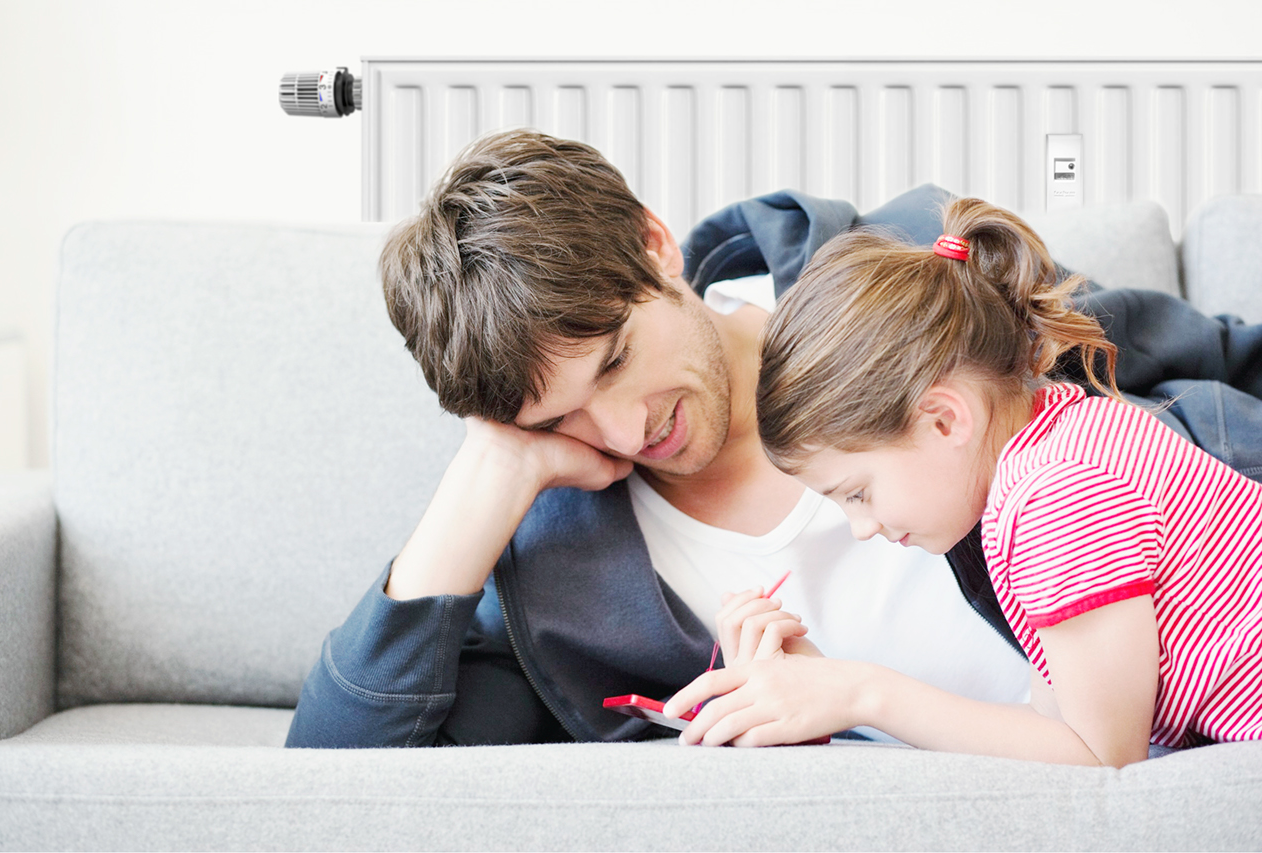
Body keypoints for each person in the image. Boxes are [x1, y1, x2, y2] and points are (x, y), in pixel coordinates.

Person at [285, 129, 1262, 749]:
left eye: (617, 360)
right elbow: (331, 785)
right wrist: (490, 470)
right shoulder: (564, 566)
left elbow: (1200, 357)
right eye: (557, 416)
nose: (623, 431)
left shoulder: (898, 285)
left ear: (653, 244)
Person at [664, 197, 1261, 764]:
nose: (862, 527)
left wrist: (861, 692)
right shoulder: (1062, 437)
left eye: (857, 492)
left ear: (945, 419)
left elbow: (1100, 754)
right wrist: (822, 684)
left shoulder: (1057, 497)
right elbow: (1052, 723)